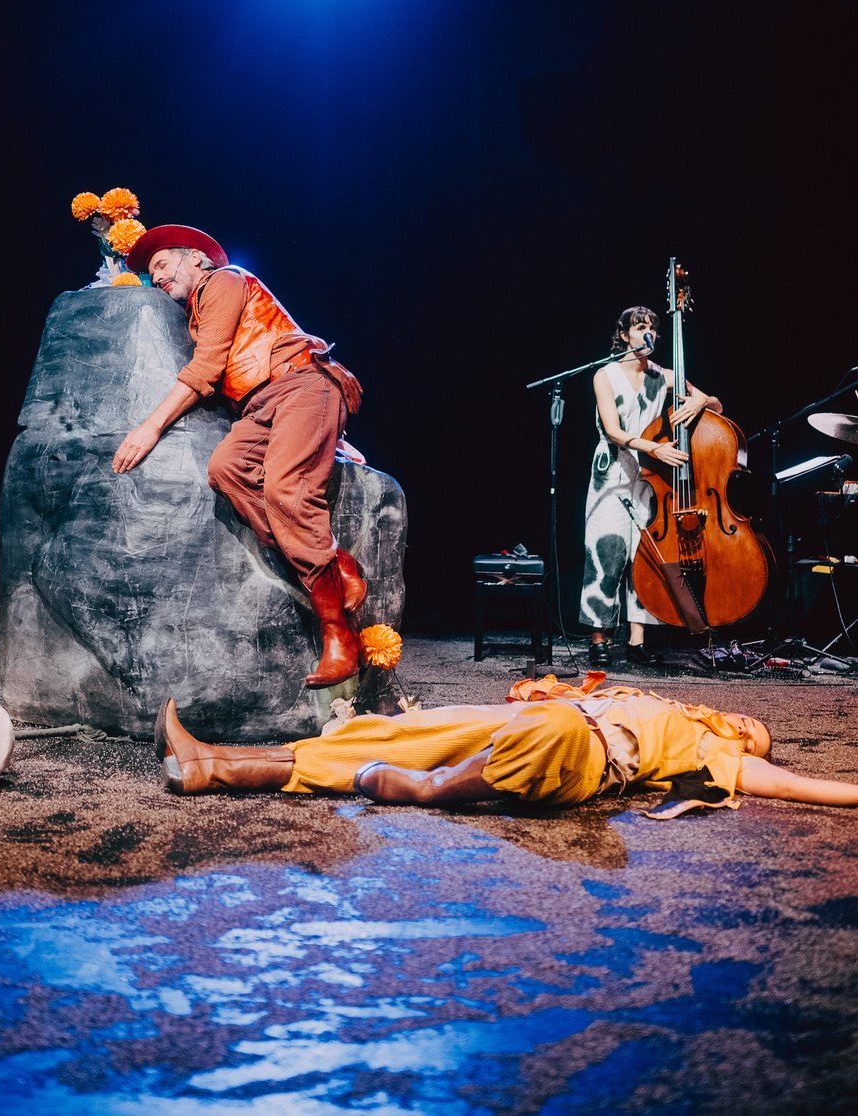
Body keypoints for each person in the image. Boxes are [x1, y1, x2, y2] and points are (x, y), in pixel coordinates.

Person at [115, 224, 365, 688]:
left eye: (164, 266)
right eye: (152, 275)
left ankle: (338, 634)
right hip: (260, 406)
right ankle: (334, 563)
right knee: (226, 468)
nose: (159, 279)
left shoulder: (224, 280)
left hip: (300, 384)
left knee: (286, 489)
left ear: (195, 258)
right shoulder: (196, 307)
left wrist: (149, 427)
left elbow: (207, 367)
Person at [154, 690, 858, 818]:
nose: (745, 722)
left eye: (753, 731)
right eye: (749, 718)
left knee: (547, 733)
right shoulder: (668, 701)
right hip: (546, 714)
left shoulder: (711, 749)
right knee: (378, 734)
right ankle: (212, 763)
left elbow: (796, 785)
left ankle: (429, 790)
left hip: (585, 750)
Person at [579, 305, 722, 670]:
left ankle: (636, 641)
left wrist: (700, 400)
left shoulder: (664, 375)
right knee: (606, 552)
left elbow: (716, 405)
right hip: (611, 470)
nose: (649, 334)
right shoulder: (605, 375)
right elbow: (613, 430)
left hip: (650, 475)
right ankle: (599, 639)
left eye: (653, 329)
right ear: (625, 334)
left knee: (642, 558)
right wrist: (654, 447)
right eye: (640, 327)